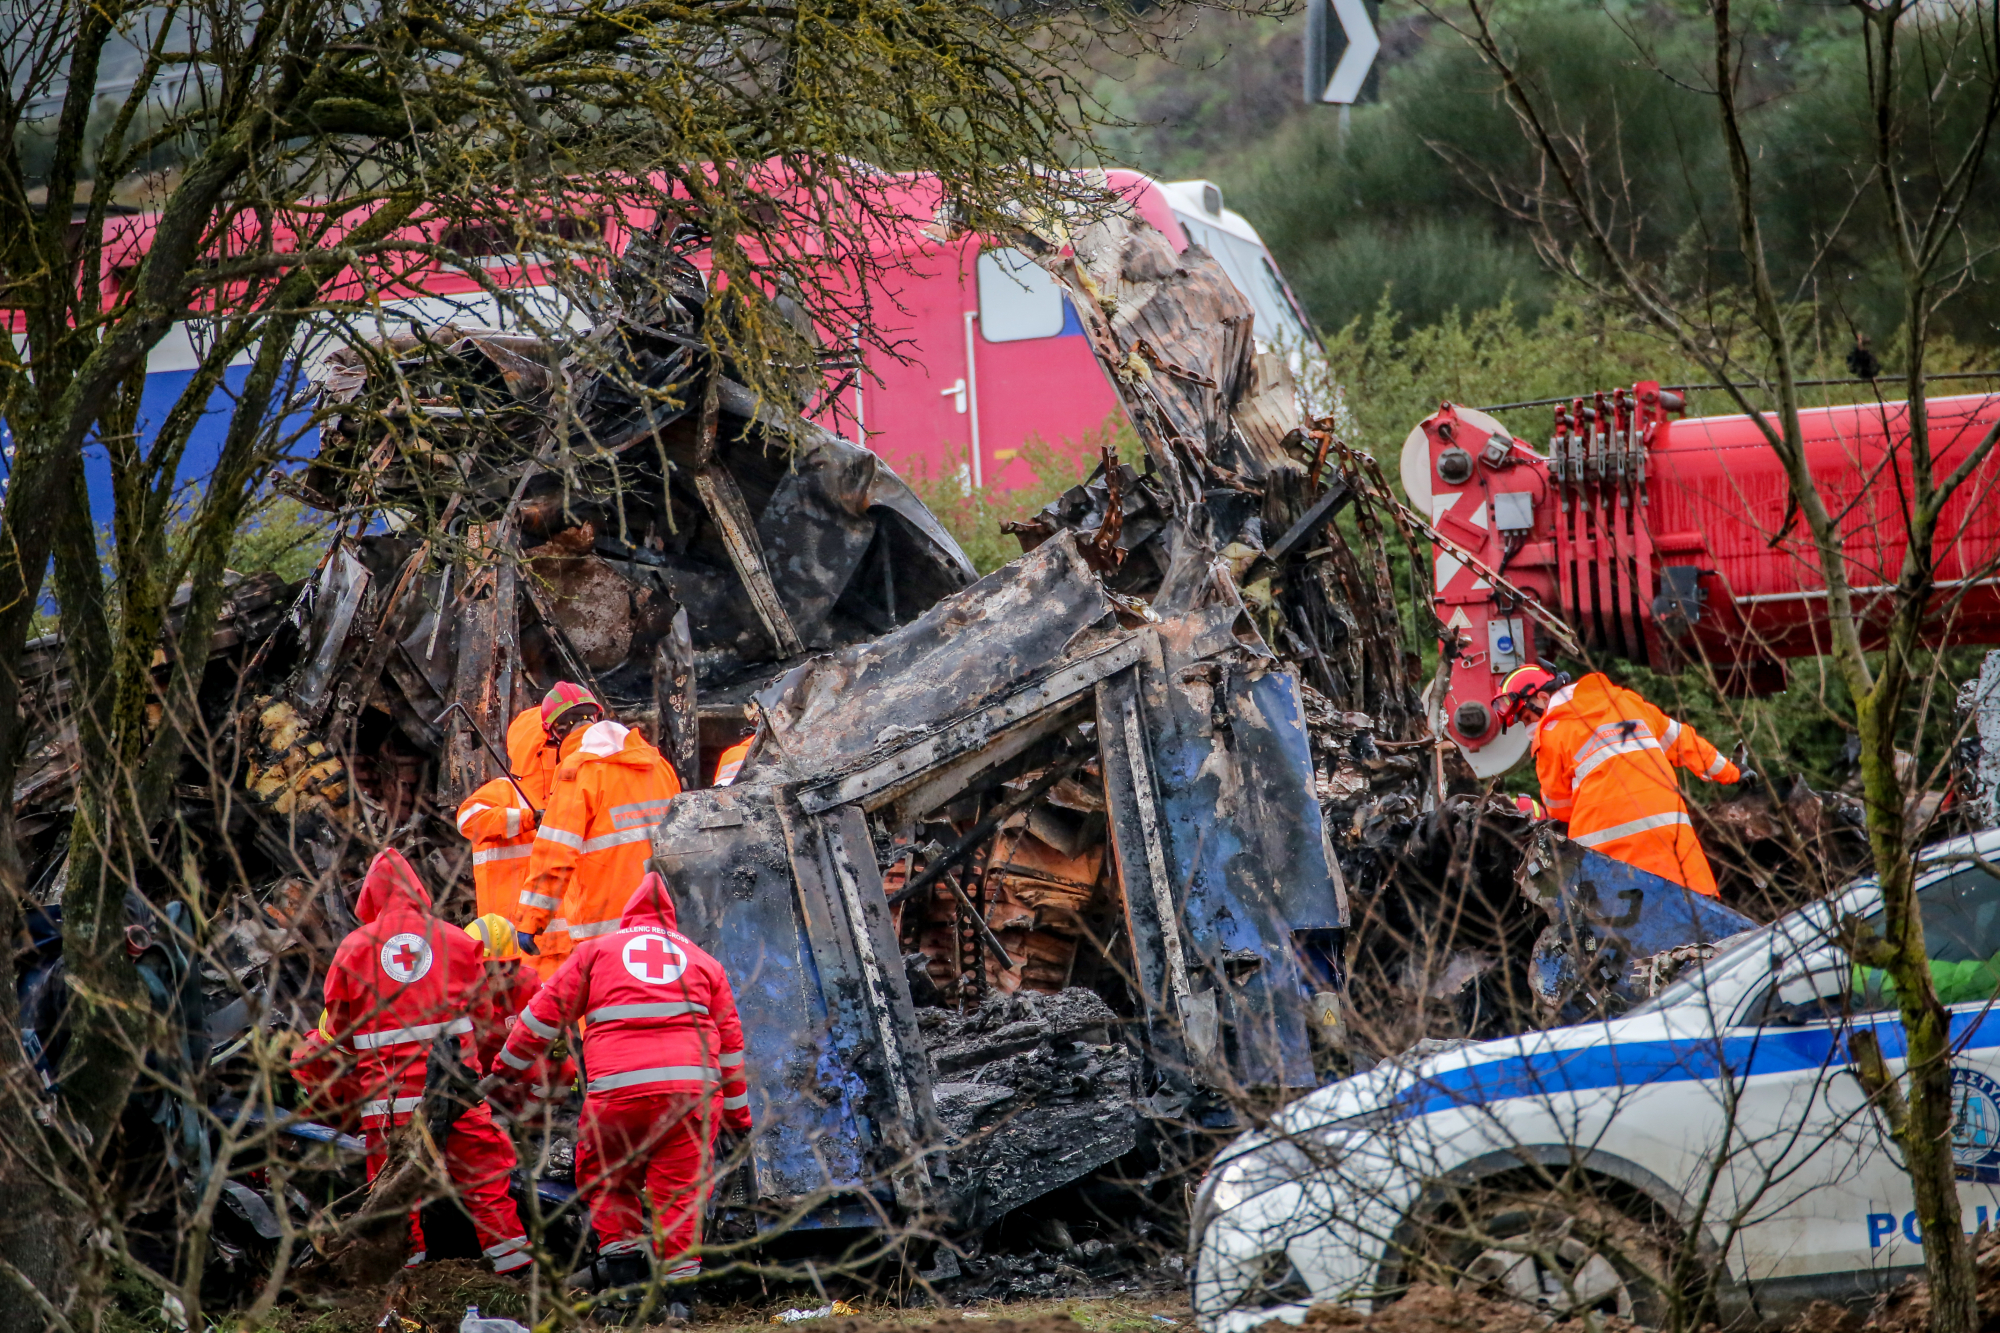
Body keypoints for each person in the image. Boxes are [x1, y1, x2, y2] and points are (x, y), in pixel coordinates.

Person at [491, 871, 752, 1307]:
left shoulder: (595, 952)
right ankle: (680, 1305)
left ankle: (626, 1291)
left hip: (617, 1095)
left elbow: (541, 1018)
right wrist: (737, 1121)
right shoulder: (705, 962)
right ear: (671, 920)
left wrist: (504, 1070)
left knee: (611, 1182)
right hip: (691, 1098)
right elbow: (730, 1053)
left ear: (628, 917)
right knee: (681, 1195)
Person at [317, 849, 532, 1274]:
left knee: (396, 1193)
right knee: (485, 1179)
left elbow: (337, 1022)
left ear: (370, 897)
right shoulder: (456, 939)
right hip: (458, 1088)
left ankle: (406, 1273)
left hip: (388, 1095)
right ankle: (517, 1268)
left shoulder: (355, 947)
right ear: (419, 890)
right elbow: (482, 1012)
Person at [1494, 666, 1755, 898]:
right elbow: (1685, 743)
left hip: (1608, 861)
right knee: (1700, 920)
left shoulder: (1550, 736)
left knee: (1615, 937)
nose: (1530, 728)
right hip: (1671, 843)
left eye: (1528, 718)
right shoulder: (1626, 702)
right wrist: (1732, 772)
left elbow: (1561, 812)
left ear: (1542, 698)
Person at [513, 683, 681, 976]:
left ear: (555, 732)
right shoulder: (658, 764)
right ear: (596, 716)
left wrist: (530, 919)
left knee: (607, 1018)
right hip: (667, 921)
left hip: (606, 932)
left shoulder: (578, 772)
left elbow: (555, 854)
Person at [455, 706, 560, 929]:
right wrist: (528, 820)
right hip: (510, 934)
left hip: (562, 934)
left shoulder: (572, 792)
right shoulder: (505, 791)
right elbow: (467, 821)